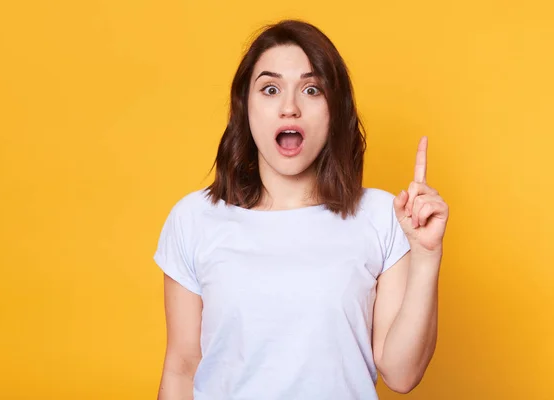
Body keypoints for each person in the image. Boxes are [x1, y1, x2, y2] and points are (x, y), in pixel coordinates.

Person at [153, 19, 449, 400]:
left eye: (311, 89)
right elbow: (181, 370)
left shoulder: (382, 216)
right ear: (245, 107)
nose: (289, 108)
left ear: (334, 111)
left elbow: (402, 374)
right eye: (271, 89)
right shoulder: (193, 219)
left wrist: (426, 256)